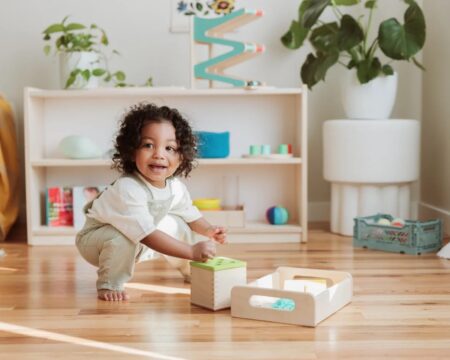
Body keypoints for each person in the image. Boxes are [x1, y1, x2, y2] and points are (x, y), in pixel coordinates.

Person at [76, 103, 227, 301]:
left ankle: (190, 270)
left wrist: (208, 230)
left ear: (182, 157)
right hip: (97, 242)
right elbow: (147, 234)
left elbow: (190, 214)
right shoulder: (128, 188)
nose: (159, 154)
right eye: (148, 145)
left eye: (170, 148)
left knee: (178, 223)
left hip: (137, 240)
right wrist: (191, 250)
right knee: (120, 237)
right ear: (132, 151)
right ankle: (109, 284)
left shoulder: (175, 187)